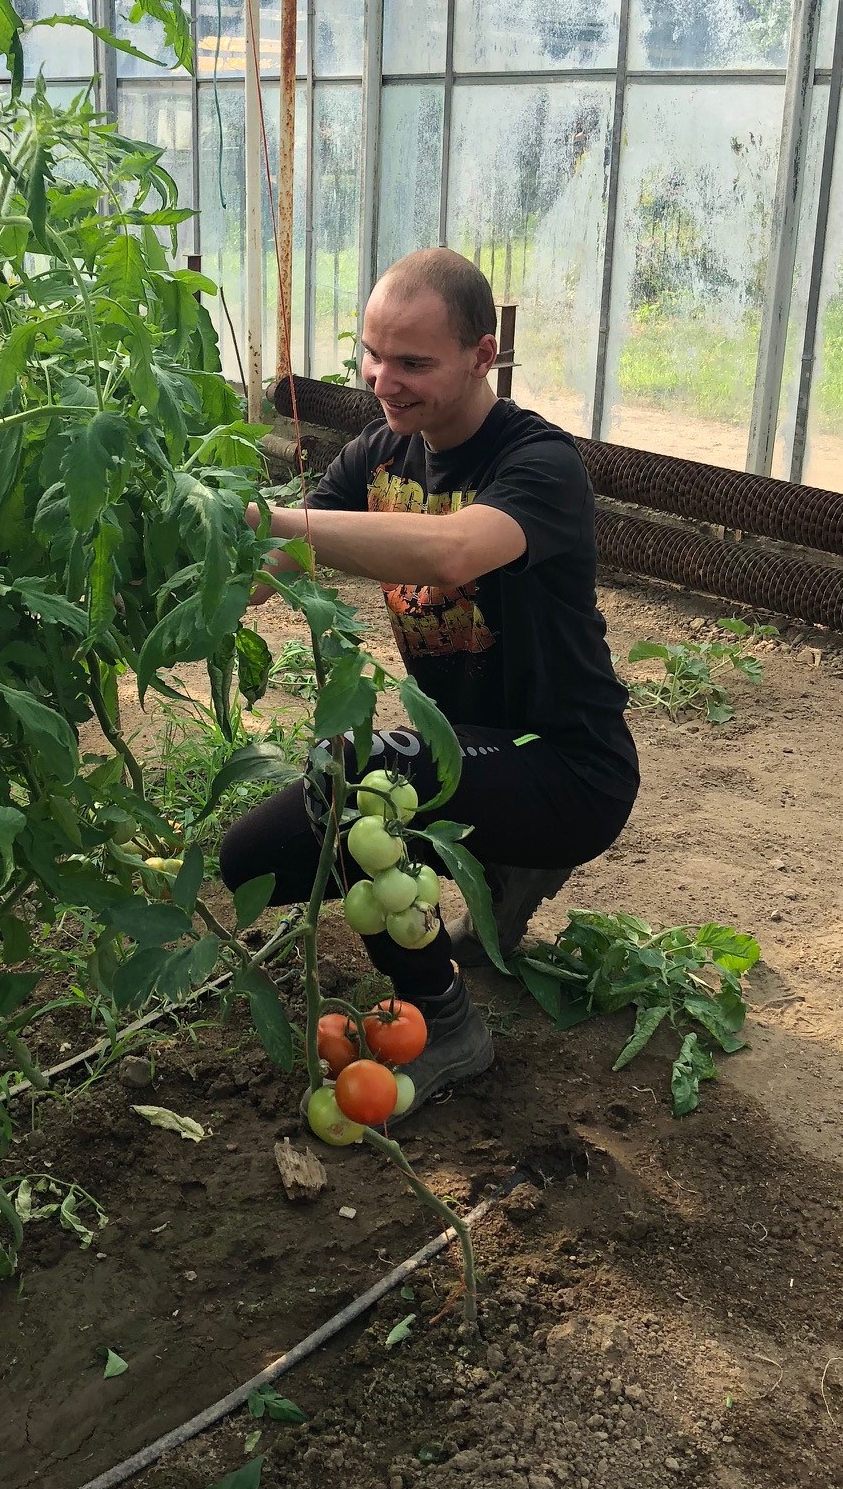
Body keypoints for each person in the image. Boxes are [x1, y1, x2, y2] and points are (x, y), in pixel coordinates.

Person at [219, 247, 639, 1111]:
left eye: (412, 362)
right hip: (467, 753)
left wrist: (276, 515)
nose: (383, 380)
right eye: (372, 355)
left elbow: (453, 550)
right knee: (248, 861)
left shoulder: (540, 463)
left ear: (483, 356)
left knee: (363, 780)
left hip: (572, 767)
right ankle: (504, 864)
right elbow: (262, 575)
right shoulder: (379, 457)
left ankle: (446, 1021)